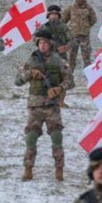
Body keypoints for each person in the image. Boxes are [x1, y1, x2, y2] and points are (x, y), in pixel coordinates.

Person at [15, 30, 73, 181]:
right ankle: (28, 168)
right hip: (35, 107)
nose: (43, 45)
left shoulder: (59, 61)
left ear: (51, 44)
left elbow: (70, 80)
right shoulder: (31, 61)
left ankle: (59, 170)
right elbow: (18, 81)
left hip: (52, 107)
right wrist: (30, 74)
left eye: (46, 43)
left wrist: (59, 88)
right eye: (40, 43)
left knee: (56, 136)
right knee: (31, 138)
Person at [63, 0, 98, 70]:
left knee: (86, 57)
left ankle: (88, 75)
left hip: (84, 36)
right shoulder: (71, 8)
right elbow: (64, 20)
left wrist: (87, 27)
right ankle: (69, 75)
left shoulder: (88, 8)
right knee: (71, 56)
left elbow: (94, 19)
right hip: (73, 37)